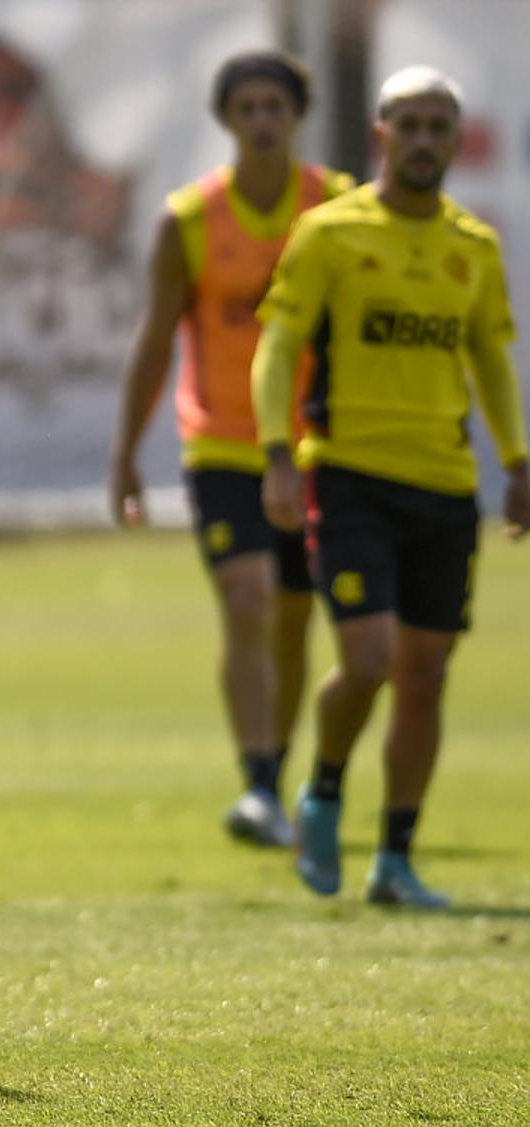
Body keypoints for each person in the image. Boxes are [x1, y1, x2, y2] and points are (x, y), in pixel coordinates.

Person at [252, 66, 530, 908]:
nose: (420, 140)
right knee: (368, 659)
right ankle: (326, 790)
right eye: (405, 124)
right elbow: (278, 346)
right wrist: (274, 454)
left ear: (454, 138)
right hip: (348, 474)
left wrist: (516, 462)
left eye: (436, 126)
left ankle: (397, 861)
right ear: (380, 134)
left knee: (427, 673)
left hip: (445, 483)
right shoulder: (331, 233)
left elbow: (488, 356)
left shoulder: (472, 246)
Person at [110, 51, 352, 848]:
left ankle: (275, 777)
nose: (261, 121)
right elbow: (153, 342)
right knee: (247, 603)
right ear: (227, 119)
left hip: (314, 447)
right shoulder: (187, 219)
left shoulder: (337, 208)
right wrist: (126, 455)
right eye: (246, 107)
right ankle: (255, 785)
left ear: (296, 115)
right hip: (220, 442)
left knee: (292, 618)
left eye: (273, 106)